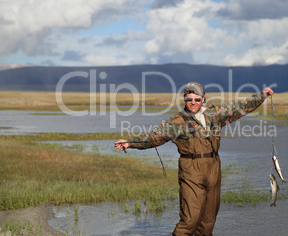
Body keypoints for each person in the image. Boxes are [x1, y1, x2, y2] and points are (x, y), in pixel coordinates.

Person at [115, 82, 274, 236]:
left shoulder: (214, 114)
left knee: (208, 222)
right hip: (191, 169)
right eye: (189, 99)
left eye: (197, 99)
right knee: (190, 220)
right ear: (184, 99)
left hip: (214, 167)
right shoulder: (177, 122)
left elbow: (241, 108)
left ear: (203, 99)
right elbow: (153, 138)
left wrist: (263, 95)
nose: (193, 102)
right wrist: (130, 143)